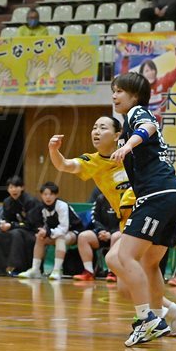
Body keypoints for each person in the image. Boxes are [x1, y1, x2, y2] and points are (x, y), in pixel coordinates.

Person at [106, 71, 176, 346]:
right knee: (150, 264)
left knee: (125, 256)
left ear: (135, 96)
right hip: (172, 196)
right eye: (113, 91)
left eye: (119, 91)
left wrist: (127, 145)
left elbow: (148, 125)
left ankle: (147, 319)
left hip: (156, 197)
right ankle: (163, 317)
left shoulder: (137, 113)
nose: (114, 96)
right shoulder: (127, 127)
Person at [47, 116, 134, 283]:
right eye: (94, 127)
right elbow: (63, 165)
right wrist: (53, 150)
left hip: (147, 215)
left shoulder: (132, 154)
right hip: (125, 223)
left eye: (103, 128)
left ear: (117, 135)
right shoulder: (91, 161)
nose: (96, 132)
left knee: (124, 263)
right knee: (130, 270)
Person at [18, 182, 79, 280]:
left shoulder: (62, 205)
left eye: (51, 194)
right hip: (54, 232)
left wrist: (48, 232)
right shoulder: (39, 207)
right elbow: (36, 223)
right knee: (40, 238)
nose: (48, 197)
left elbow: (64, 228)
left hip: (73, 232)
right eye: (45, 194)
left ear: (56, 195)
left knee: (60, 238)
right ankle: (35, 270)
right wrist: (41, 231)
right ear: (41, 195)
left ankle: (56, 270)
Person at [0, 176, 41, 276]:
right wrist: (3, 224)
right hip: (16, 229)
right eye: (11, 187)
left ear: (22, 188)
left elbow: (31, 224)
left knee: (16, 233)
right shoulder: (7, 202)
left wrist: (12, 225)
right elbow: (7, 218)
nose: (13, 190)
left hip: (32, 231)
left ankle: (17, 267)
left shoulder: (30, 201)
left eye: (16, 187)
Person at [119, 45, 176, 121]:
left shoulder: (163, 81)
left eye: (152, 69)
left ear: (155, 71)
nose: (151, 73)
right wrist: (125, 59)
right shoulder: (137, 86)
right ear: (142, 74)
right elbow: (124, 79)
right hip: (140, 122)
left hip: (157, 123)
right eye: (147, 71)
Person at [73, 193, 122, 281]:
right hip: (102, 234)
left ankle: (112, 272)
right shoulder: (100, 198)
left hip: (119, 234)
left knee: (116, 236)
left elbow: (126, 219)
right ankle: (88, 272)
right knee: (83, 236)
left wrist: (111, 233)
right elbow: (95, 217)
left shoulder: (124, 198)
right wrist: (101, 230)